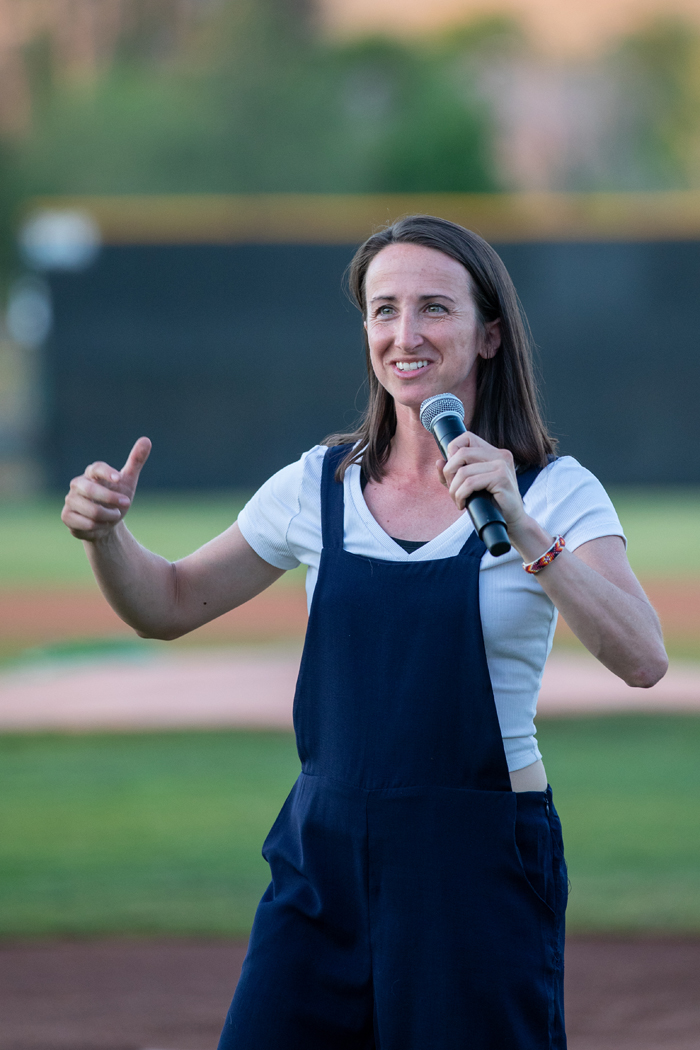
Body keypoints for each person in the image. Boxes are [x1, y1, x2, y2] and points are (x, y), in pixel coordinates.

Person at [61, 215, 668, 1050]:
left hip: (476, 864)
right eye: (384, 310)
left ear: (489, 335)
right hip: (324, 861)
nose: (405, 335)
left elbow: (643, 658)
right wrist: (106, 537)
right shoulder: (318, 483)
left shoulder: (553, 492)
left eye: (434, 309)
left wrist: (527, 529)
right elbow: (166, 603)